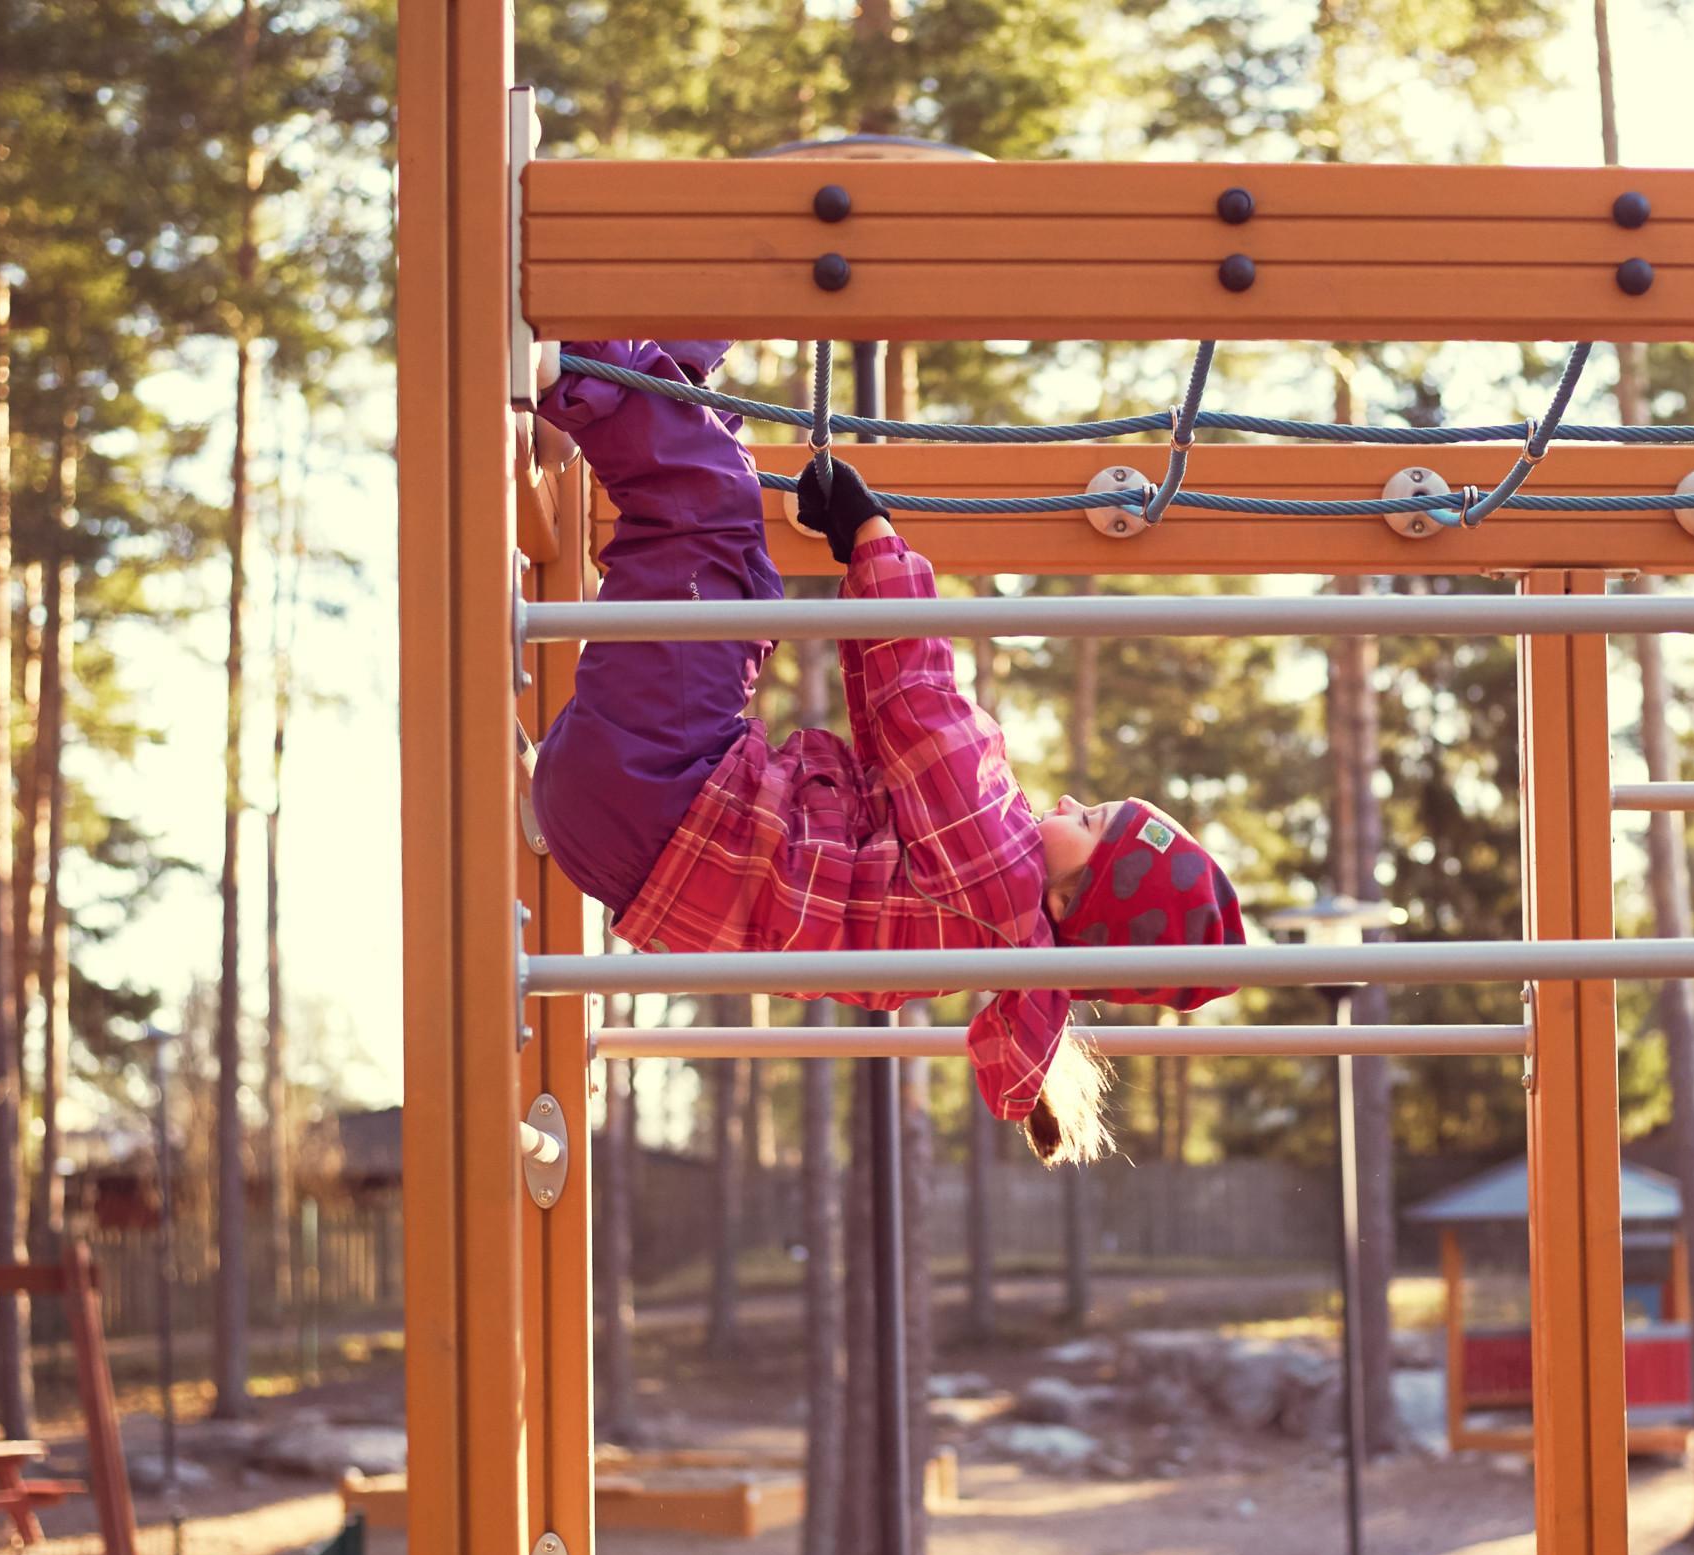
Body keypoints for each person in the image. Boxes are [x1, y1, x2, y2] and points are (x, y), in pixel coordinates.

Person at [529, 337, 1246, 1164]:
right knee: (739, 589)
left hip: (663, 789)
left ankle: (580, 366)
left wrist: (876, 536)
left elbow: (920, 701)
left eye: (1087, 819)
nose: (1062, 803)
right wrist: (861, 560)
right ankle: (657, 371)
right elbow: (889, 732)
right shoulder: (972, 929)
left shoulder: (995, 873)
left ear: (1074, 906)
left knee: (712, 526)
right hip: (627, 835)